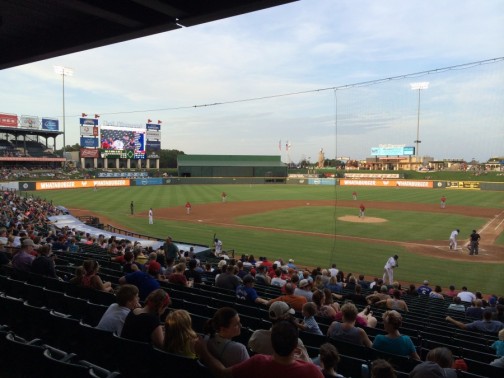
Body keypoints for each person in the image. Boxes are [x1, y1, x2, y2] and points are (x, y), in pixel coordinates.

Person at [196, 320, 324, 378]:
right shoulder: (312, 371)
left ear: (272, 343)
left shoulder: (258, 362)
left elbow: (221, 373)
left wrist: (203, 349)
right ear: (296, 346)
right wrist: (304, 361)